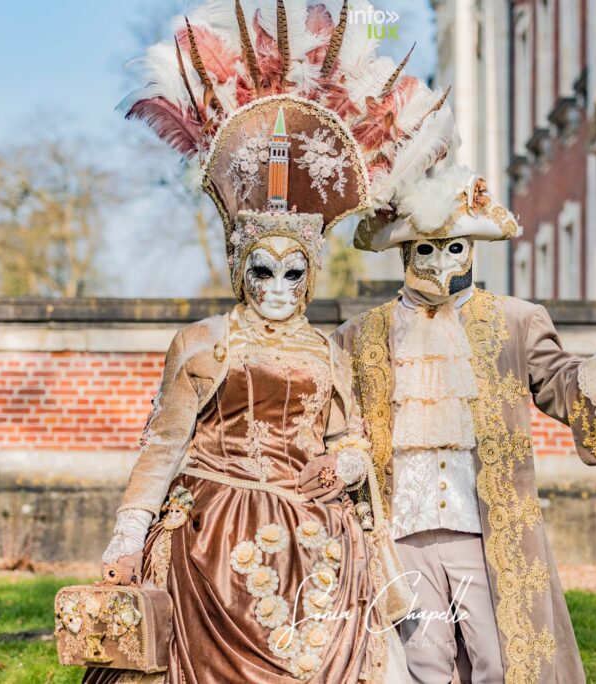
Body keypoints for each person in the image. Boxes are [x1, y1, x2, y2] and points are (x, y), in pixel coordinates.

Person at [88, 1, 456, 681]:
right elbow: (163, 442)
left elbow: (346, 437)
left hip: (313, 538)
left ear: (311, 276)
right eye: (263, 269)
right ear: (240, 269)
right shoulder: (202, 341)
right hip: (211, 540)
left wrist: (344, 467)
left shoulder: (326, 351)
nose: (278, 286)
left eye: (294, 272)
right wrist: (128, 533)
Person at [335, 165, 596, 684]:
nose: (441, 260)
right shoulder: (358, 336)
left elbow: (564, 385)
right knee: (421, 662)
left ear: (474, 248)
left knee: (502, 660)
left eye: (455, 246)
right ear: (405, 252)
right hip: (399, 532)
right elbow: (330, 422)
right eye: (426, 247)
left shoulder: (515, 320)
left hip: (486, 528)